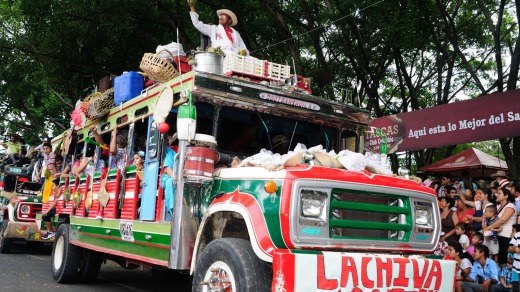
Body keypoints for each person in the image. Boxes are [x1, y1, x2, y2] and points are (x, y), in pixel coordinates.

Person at [485, 188, 517, 265]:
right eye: (496, 193)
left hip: (506, 236)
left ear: (506, 196)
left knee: (504, 260)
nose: (496, 195)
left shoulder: (510, 206)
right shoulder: (499, 206)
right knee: (497, 259)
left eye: (499, 193)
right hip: (498, 235)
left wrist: (487, 228)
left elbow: (502, 220)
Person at [161, 138, 177, 220]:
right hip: (170, 178)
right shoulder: (170, 152)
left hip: (182, 178)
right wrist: (178, 180)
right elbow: (168, 169)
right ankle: (173, 210)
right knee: (171, 182)